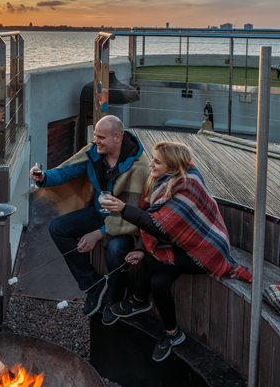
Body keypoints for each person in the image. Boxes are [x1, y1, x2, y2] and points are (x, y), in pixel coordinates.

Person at [102, 141, 252, 361]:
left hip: (205, 251)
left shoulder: (187, 185)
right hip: (179, 244)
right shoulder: (161, 180)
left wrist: (124, 209)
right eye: (152, 158)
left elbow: (156, 225)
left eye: (157, 161)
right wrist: (142, 248)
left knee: (151, 262)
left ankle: (138, 300)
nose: (150, 163)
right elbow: (153, 218)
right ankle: (173, 334)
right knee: (158, 283)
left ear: (172, 166)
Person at [31, 115, 149, 322]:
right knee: (57, 228)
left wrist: (99, 233)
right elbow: (66, 172)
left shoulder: (139, 166)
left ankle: (114, 300)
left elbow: (134, 213)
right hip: (99, 213)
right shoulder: (93, 152)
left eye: (101, 137)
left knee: (114, 251)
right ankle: (92, 283)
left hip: (124, 221)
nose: (96, 141)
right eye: (95, 136)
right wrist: (44, 177)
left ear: (118, 137)